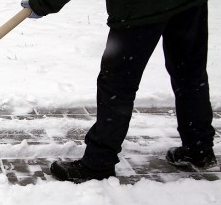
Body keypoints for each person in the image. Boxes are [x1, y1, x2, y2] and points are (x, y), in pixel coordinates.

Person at [20, 0, 217, 183]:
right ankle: (198, 149)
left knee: (117, 85)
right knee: (190, 75)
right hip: (189, 3)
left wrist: (42, 3)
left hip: (140, 7)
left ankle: (98, 164)